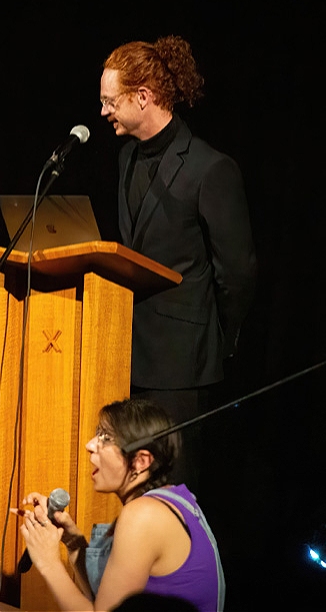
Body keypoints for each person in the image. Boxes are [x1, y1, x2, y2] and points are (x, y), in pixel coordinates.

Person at [99, 35, 257, 489]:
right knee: (131, 489)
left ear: (143, 97)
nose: (104, 111)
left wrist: (216, 336)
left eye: (111, 101)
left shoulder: (210, 168)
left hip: (181, 364)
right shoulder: (127, 157)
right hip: (126, 354)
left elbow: (238, 271)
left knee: (171, 491)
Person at [0, 397, 224, 612]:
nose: (90, 445)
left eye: (105, 438)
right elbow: (106, 600)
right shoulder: (173, 499)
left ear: (141, 461)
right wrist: (73, 541)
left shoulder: (144, 516)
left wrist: (48, 562)